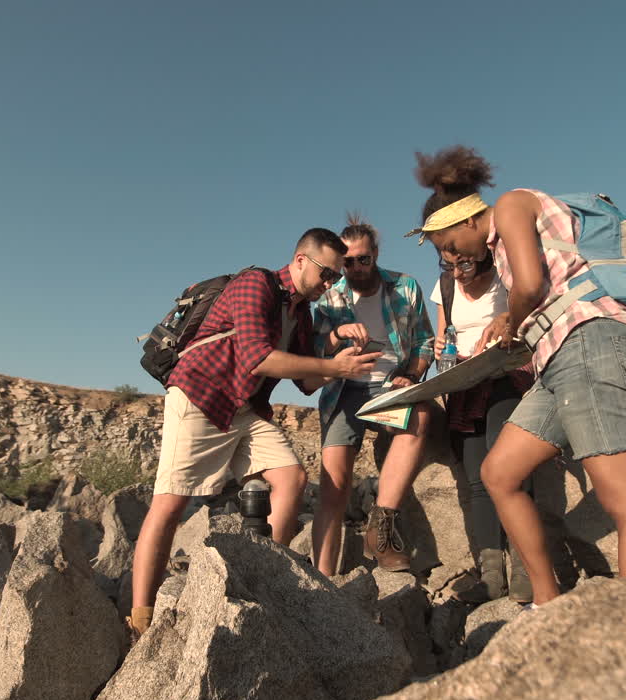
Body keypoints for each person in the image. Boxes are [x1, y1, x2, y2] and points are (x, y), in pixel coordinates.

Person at [406, 146, 626, 606]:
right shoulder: (499, 240)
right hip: (558, 361)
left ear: (469, 219)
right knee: (499, 473)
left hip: (592, 340)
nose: (450, 259)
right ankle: (546, 604)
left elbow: (529, 285)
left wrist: (510, 319)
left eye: (449, 245)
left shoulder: (510, 205)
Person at [127, 228, 381, 637]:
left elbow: (306, 382)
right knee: (170, 505)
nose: (330, 284)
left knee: (292, 478)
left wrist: (339, 354)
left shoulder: (300, 312)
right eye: (326, 274)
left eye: (335, 278)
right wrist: (335, 368)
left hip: (245, 409)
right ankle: (141, 617)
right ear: (300, 260)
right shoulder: (255, 284)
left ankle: (269, 580)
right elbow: (258, 359)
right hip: (201, 397)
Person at [311, 215, 435, 575]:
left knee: (421, 415)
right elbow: (315, 354)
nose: (355, 268)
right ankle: (322, 580)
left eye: (363, 259)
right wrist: (336, 337)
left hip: (390, 385)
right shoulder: (330, 298)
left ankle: (380, 529)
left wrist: (412, 374)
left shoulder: (405, 287)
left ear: (376, 255)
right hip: (343, 390)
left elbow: (425, 339)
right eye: (347, 262)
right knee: (334, 487)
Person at [430, 248, 536, 602]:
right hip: (464, 384)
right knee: (476, 479)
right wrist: (440, 346)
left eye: (464, 263)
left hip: (507, 375)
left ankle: (526, 567)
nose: (457, 272)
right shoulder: (444, 286)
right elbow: (444, 336)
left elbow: (533, 314)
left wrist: (507, 320)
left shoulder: (508, 276)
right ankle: (492, 573)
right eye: (448, 264)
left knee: (510, 467)